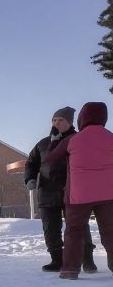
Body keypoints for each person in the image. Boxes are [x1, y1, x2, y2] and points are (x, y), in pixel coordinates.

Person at [45, 102, 113, 279]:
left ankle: (70, 269)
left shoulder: (73, 139)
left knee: (74, 231)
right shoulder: (111, 137)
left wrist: (54, 140)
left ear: (82, 117)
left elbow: (51, 158)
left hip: (79, 194)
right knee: (110, 230)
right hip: (109, 193)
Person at [24, 106, 96, 272]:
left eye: (61, 120)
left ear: (69, 122)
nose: (56, 123)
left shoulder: (79, 140)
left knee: (79, 226)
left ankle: (87, 259)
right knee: (50, 228)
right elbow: (31, 163)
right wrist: (30, 178)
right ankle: (57, 259)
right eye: (54, 120)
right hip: (47, 192)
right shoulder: (43, 143)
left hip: (73, 191)